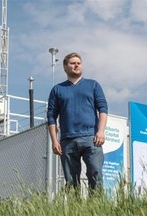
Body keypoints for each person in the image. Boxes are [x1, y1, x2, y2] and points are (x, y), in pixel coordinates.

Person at [47, 52, 108, 194]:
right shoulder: (57, 89)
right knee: (71, 181)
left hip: (91, 139)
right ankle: (77, 209)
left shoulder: (93, 85)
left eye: (78, 63)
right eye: (72, 63)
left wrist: (101, 131)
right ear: (65, 67)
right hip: (67, 141)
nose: (76, 65)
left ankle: (97, 207)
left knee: (95, 173)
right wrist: (54, 141)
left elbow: (103, 109)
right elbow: (51, 117)